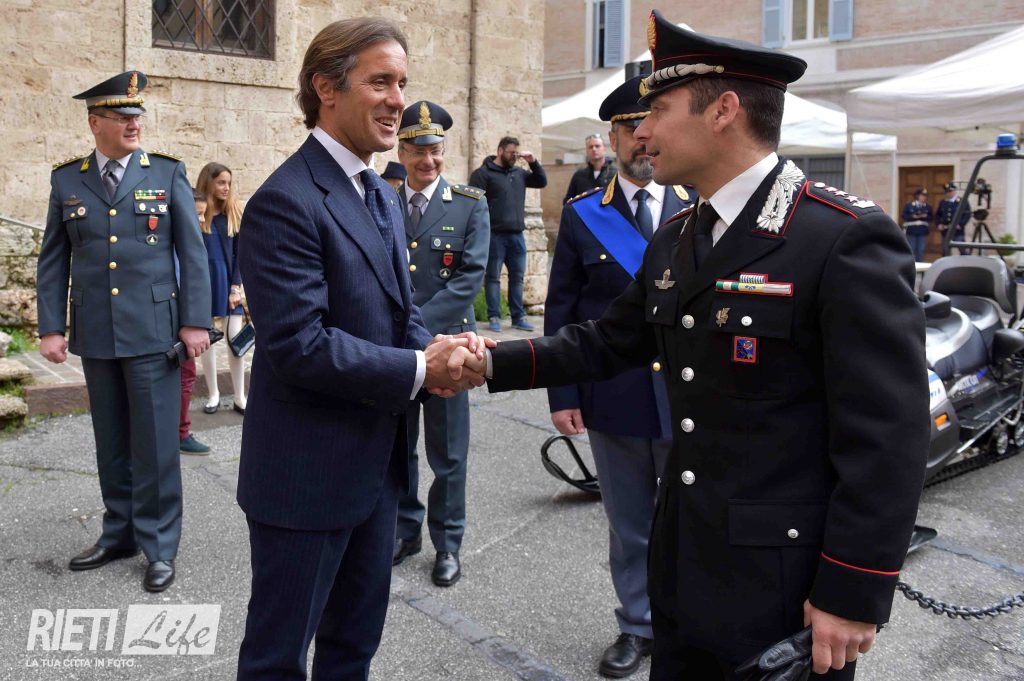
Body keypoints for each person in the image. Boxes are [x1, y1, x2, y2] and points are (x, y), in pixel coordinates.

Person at [451, 11, 929, 679]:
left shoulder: (841, 236)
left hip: (782, 585)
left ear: (723, 111)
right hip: (684, 561)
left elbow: (889, 434)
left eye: (659, 110)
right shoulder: (679, 234)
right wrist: (487, 360)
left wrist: (853, 589)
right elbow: (609, 341)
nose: (641, 131)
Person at [234, 18, 488, 680]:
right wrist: (419, 367)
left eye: (402, 82)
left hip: (378, 471)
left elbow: (398, 314)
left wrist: (438, 352)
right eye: (380, 82)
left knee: (352, 649)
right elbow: (299, 344)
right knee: (276, 660)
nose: (398, 99)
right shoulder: (285, 200)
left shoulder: (379, 190)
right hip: (306, 479)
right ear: (326, 87)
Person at [36, 71, 212, 592]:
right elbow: (54, 259)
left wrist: (195, 321)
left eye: (137, 115)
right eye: (121, 116)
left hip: (154, 331)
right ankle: (119, 533)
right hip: (96, 330)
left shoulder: (167, 173)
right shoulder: (68, 180)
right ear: (96, 123)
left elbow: (192, 253)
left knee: (155, 444)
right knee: (110, 441)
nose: (134, 124)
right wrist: (51, 327)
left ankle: (159, 545)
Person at [547, 76, 693, 678]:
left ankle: (686, 625)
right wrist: (563, 393)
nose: (642, 139)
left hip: (688, 394)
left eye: (649, 126)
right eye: (630, 129)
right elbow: (562, 311)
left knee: (690, 521)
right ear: (612, 139)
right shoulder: (585, 215)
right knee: (630, 523)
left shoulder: (696, 205)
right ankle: (637, 624)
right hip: (616, 393)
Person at [392, 100, 490, 587]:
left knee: (448, 452)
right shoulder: (384, 201)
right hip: (398, 351)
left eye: (435, 150)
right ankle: (404, 530)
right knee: (399, 447)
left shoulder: (470, 204)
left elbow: (470, 278)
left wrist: (419, 328)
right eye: (417, 151)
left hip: (451, 347)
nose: (427, 160)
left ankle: (448, 542)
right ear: (401, 153)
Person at [469, 135, 547, 333]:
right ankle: (494, 316)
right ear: (500, 151)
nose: (514, 157)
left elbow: (541, 181)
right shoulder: (483, 174)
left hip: (517, 236)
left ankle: (518, 317)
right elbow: (473, 204)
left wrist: (532, 162)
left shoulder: (519, 173)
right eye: (511, 153)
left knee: (517, 278)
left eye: (516, 153)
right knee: (493, 277)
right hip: (494, 236)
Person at [195, 162, 247, 415]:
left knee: (235, 341)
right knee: (206, 342)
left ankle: (239, 396)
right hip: (204, 284)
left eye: (229, 183)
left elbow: (241, 255)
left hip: (228, 284)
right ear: (209, 183)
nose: (226, 187)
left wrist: (236, 288)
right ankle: (213, 394)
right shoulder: (198, 214)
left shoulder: (233, 213)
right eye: (221, 183)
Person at [179, 188, 213, 454]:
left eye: (203, 214)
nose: (202, 220)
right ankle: (180, 433)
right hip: (176, 319)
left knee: (186, 376)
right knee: (185, 376)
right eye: (198, 214)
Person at [563, 133, 616, 204]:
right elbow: (568, 201)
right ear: (586, 151)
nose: (594, 149)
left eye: (597, 146)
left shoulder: (616, 174)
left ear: (604, 149)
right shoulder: (579, 175)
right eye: (590, 147)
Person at [900, 187, 932, 262]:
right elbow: (904, 216)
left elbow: (931, 217)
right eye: (922, 195)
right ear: (917, 195)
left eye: (925, 195)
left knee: (921, 250)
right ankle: (912, 266)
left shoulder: (928, 207)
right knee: (912, 250)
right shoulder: (909, 205)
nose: (924, 197)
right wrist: (913, 216)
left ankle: (920, 265)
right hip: (912, 231)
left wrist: (925, 216)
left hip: (922, 231)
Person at [935, 181, 971, 246]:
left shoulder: (962, 201)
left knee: (962, 248)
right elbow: (938, 215)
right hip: (946, 231)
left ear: (954, 191)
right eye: (947, 192)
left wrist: (960, 224)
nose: (948, 194)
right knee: (945, 248)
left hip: (957, 231)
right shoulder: (943, 202)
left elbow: (967, 215)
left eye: (950, 191)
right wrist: (938, 224)